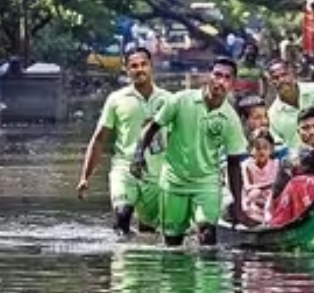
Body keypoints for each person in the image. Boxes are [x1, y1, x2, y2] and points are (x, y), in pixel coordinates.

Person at [131, 57, 247, 247]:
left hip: (207, 184)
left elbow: (234, 163)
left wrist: (237, 206)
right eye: (217, 75)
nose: (220, 81)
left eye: (226, 77)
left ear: (232, 84)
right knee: (173, 242)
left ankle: (208, 277)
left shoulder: (231, 118)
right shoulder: (180, 100)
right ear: (208, 76)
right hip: (173, 181)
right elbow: (152, 128)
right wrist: (138, 156)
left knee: (207, 235)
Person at [76, 47, 168, 236]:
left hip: (157, 174)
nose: (139, 69)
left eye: (143, 65)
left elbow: (180, 140)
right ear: (126, 70)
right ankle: (120, 259)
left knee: (149, 230)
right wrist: (85, 177)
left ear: (151, 67)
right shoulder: (116, 99)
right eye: (133, 66)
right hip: (125, 169)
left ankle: (142, 261)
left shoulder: (168, 100)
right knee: (122, 215)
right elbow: (99, 139)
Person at [267, 148, 314, 228]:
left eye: (294, 161)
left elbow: (281, 216)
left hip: (304, 225)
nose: (291, 164)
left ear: (304, 166)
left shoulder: (296, 182)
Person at [241, 130, 280, 225]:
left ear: (271, 149)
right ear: (250, 149)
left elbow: (278, 185)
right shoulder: (247, 165)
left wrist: (272, 186)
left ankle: (269, 218)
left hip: (271, 200)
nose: (262, 151)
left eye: (265, 148)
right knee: (255, 193)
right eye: (258, 148)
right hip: (255, 201)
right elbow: (247, 187)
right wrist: (270, 184)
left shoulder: (276, 163)